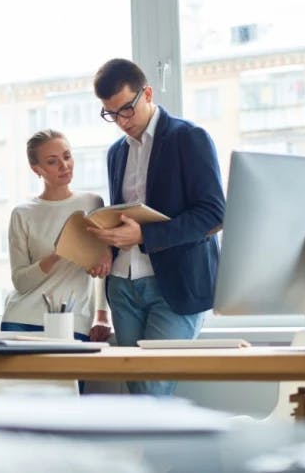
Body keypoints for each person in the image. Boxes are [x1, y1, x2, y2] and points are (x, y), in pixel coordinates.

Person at [89, 58, 225, 396]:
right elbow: (127, 214)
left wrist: (145, 235)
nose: (121, 122)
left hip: (175, 287)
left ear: (147, 93)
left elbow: (213, 214)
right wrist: (108, 238)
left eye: (126, 110)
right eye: (111, 114)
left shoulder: (188, 138)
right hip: (124, 286)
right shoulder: (115, 153)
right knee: (138, 394)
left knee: (152, 390)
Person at [1, 129, 112, 344]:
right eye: (52, 161)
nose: (64, 165)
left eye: (67, 156)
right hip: (22, 320)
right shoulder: (22, 213)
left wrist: (102, 315)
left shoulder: (92, 203)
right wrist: (58, 253)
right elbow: (20, 282)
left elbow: (103, 269)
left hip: (73, 322)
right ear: (37, 169)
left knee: (70, 379)